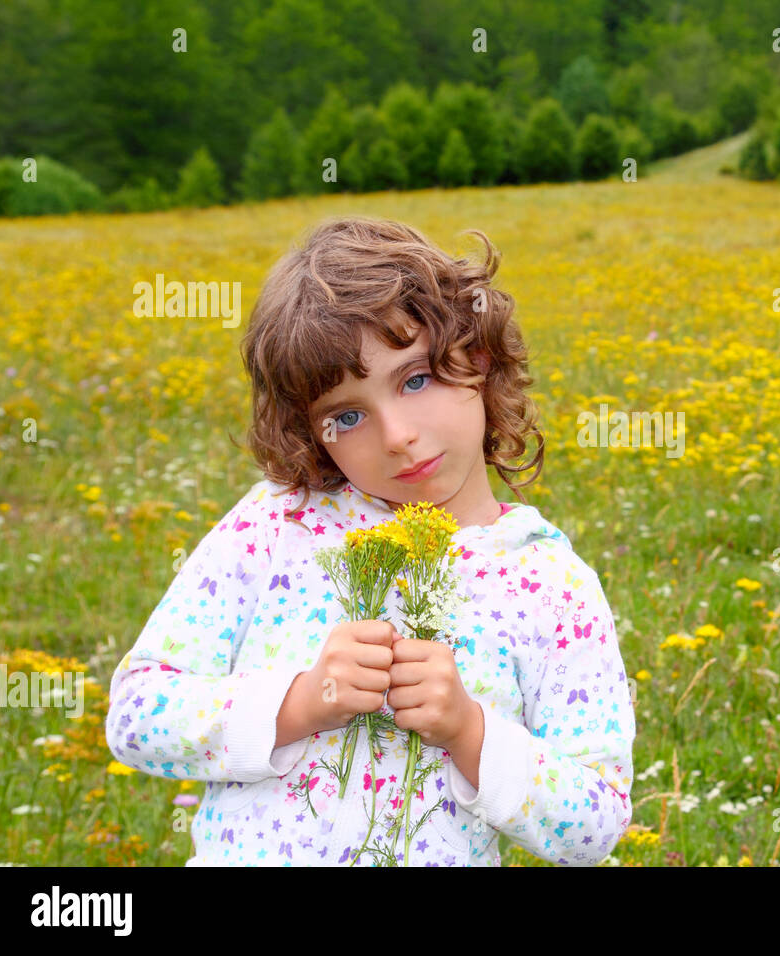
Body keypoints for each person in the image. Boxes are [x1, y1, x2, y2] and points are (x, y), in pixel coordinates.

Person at [105, 216, 636, 866]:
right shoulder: (282, 522)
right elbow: (136, 712)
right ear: (310, 432)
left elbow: (597, 822)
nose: (395, 435)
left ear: (478, 356)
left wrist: (469, 730)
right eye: (347, 416)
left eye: (416, 380)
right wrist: (298, 702)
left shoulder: (548, 582)